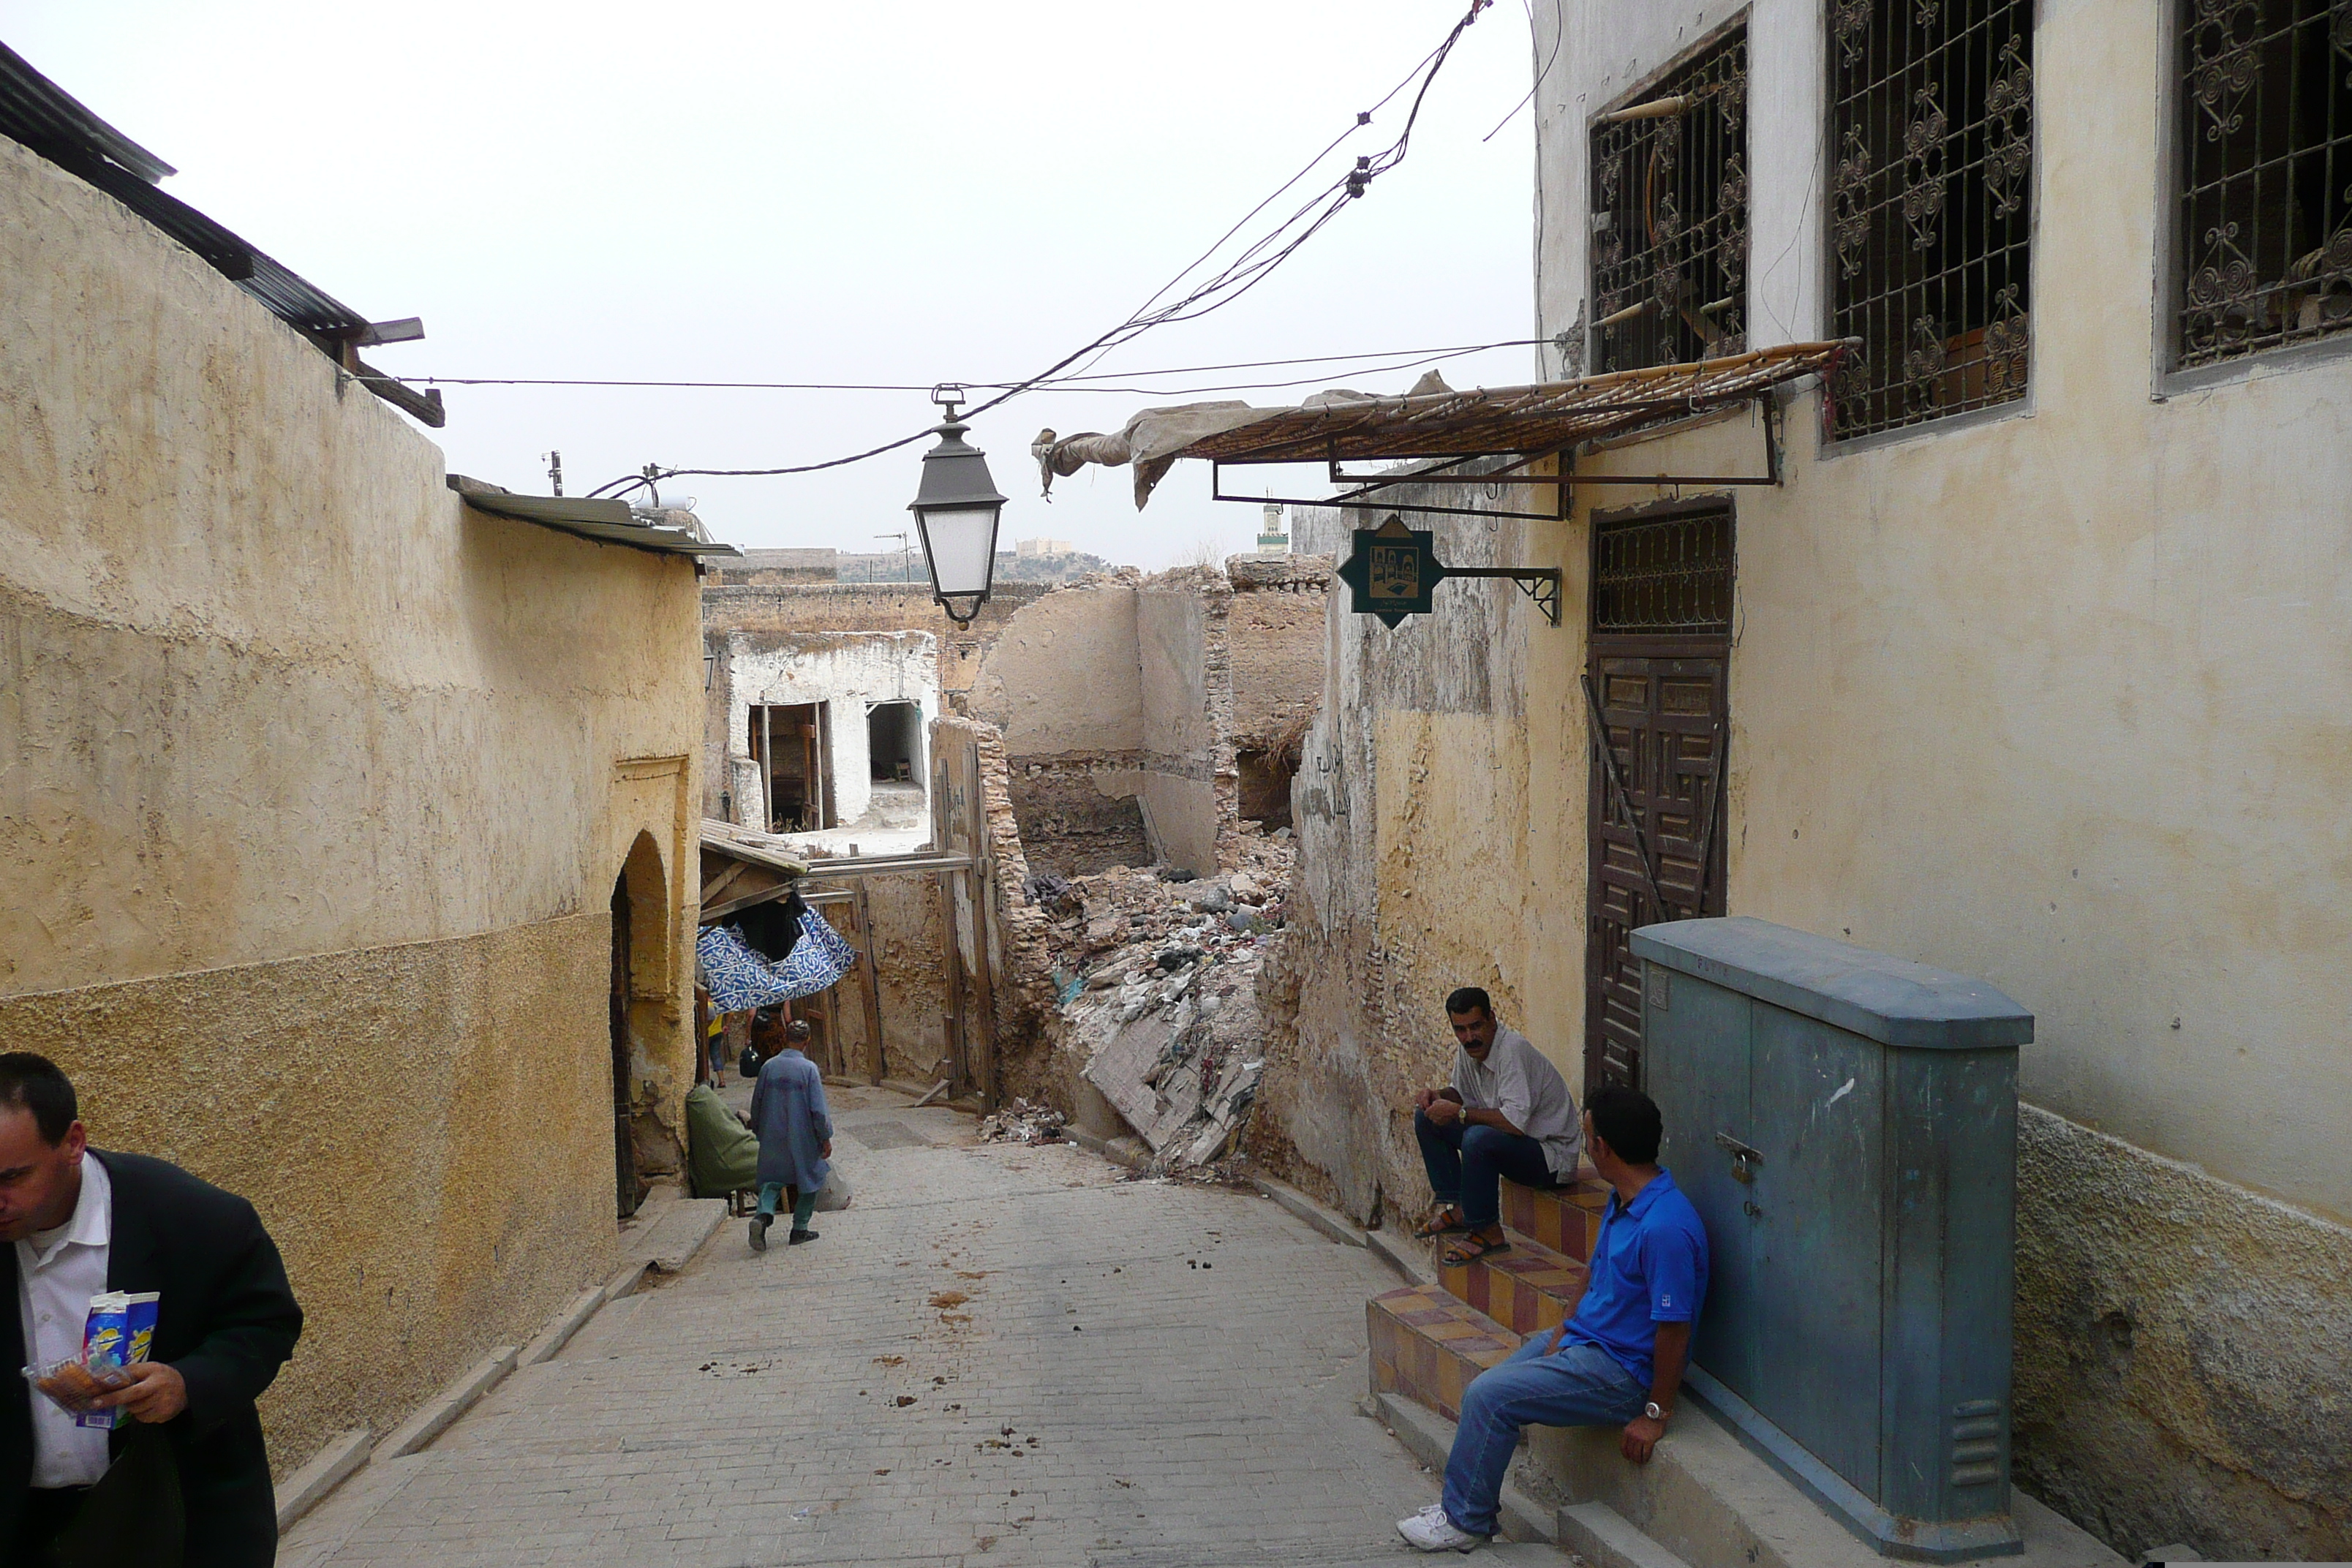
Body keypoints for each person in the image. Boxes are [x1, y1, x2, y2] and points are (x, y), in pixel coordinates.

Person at [0, 1052, 304, 1568]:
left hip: (177, 1518)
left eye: (11, 1177)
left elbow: (266, 1323)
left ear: (73, 1143)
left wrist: (187, 1383)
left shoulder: (193, 1217)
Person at [1397, 1085, 1708, 1553]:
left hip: (1621, 1372)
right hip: (1587, 1342)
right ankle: (1463, 1501)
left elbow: (1674, 1329)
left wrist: (1655, 1414)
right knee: (1489, 1387)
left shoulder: (1665, 1226)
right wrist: (1563, 1330)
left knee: (1489, 1397)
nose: (1586, 1147)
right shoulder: (1624, 1198)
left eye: (1587, 1138)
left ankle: (1466, 1522)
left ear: (1602, 1147)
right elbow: (1593, 1269)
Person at [1409, 987, 1582, 1267]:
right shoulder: (1470, 1050)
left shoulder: (1512, 1050)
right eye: (1460, 1030)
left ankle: (1488, 1231)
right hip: (1515, 1144)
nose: (1469, 1037)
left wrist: (1460, 1113)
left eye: (1476, 1026)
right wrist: (1437, 1097)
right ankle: (1461, 1209)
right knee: (1426, 1118)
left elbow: (1513, 1123)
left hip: (1551, 1158)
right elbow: (1461, 1095)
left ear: (1492, 1019)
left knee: (1478, 1139)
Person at [745, 1014, 832, 1251]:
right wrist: (825, 1137)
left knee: (772, 1181)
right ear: (807, 1041)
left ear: (785, 1037)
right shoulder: (809, 1069)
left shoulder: (769, 1067)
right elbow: (819, 1111)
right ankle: (799, 1229)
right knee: (810, 1178)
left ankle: (762, 1217)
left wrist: (759, 1131)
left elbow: (757, 1104)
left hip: (772, 1136)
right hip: (802, 1137)